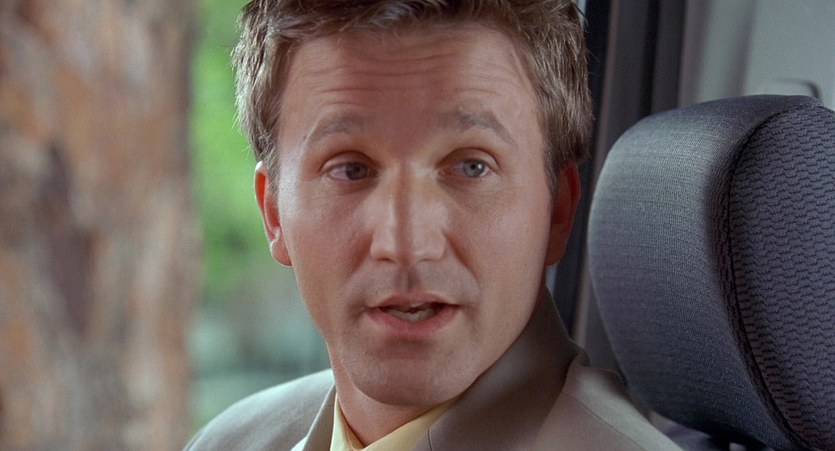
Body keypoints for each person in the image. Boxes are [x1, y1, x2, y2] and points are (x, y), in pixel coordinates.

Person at [186, 1, 681, 449]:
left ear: (558, 210)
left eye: (471, 167)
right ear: (273, 214)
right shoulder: (228, 442)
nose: (406, 244)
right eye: (351, 169)